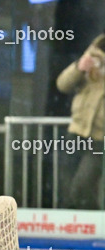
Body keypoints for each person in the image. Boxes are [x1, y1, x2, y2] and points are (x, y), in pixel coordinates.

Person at [56, 32, 105, 210]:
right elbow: (62, 84)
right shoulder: (93, 53)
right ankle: (71, 226)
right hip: (76, 131)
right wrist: (79, 67)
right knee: (66, 185)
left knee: (83, 186)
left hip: (100, 138)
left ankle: (91, 225)